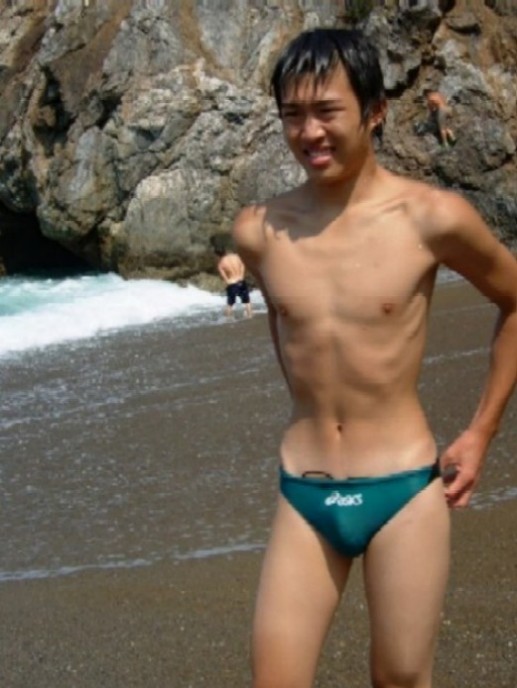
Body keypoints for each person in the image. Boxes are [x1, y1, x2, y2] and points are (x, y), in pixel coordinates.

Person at [231, 28, 517, 688]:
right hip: (304, 488)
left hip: (402, 488)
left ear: (375, 110)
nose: (309, 132)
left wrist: (480, 433)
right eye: (292, 115)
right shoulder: (259, 231)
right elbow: (291, 332)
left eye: (326, 111)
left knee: (400, 679)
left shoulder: (432, 218)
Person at [214, 245, 253, 318]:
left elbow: (224, 276)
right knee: (247, 301)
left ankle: (228, 319)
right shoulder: (236, 257)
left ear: (218, 255)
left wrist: (227, 281)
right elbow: (242, 265)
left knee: (230, 304)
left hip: (232, 283)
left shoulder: (221, 264)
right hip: (241, 280)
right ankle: (250, 315)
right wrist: (241, 275)